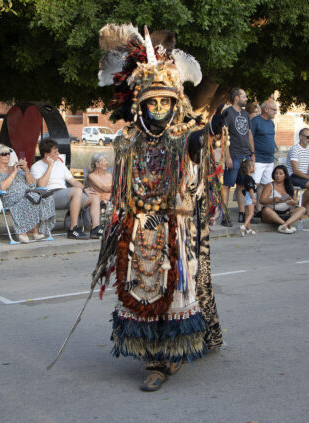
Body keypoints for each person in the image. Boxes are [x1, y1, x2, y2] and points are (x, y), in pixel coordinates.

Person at [94, 24, 223, 391]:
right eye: (152, 102)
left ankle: (171, 355)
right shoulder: (128, 140)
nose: (159, 108)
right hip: (138, 228)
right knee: (140, 288)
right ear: (140, 105)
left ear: (176, 102)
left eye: (165, 101)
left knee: (174, 287)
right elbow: (121, 188)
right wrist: (125, 220)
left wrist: (209, 131)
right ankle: (151, 354)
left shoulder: (184, 137)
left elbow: (195, 159)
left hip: (175, 229)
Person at [30, 138, 103, 240]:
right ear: (46, 154)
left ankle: (95, 228)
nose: (58, 154)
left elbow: (72, 181)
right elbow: (41, 184)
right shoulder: (36, 167)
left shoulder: (60, 165)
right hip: (49, 195)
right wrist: (50, 166)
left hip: (66, 194)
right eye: (55, 152)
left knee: (94, 196)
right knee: (76, 191)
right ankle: (73, 229)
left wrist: (85, 188)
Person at [0, 144, 56, 243]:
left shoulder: (16, 168)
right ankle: (24, 231)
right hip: (8, 197)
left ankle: (37, 229)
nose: (7, 155)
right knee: (32, 197)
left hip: (27, 193)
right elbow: (1, 188)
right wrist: (13, 173)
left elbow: (32, 184)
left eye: (8, 153)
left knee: (46, 196)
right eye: (4, 154)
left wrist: (26, 170)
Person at [221, 87, 254, 226]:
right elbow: (224, 134)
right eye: (244, 96)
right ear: (236, 98)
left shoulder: (246, 114)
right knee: (227, 185)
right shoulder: (228, 112)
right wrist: (227, 156)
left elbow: (249, 134)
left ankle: (242, 213)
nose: (246, 98)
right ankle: (224, 215)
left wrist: (252, 154)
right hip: (233, 154)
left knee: (242, 185)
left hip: (245, 155)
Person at [249, 100, 277, 215]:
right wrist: (252, 154)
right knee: (254, 184)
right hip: (258, 159)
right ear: (266, 109)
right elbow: (249, 138)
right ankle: (250, 209)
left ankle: (259, 208)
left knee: (265, 184)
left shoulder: (271, 123)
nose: (276, 112)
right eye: (274, 109)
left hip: (269, 159)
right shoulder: (256, 121)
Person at [259, 165, 306, 233]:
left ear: (285, 176)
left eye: (281, 174)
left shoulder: (289, 186)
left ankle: (285, 225)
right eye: (276, 173)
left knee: (302, 209)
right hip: (272, 213)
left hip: (286, 212)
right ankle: (287, 225)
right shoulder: (269, 186)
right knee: (266, 210)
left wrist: (293, 202)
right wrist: (274, 199)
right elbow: (262, 200)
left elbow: (296, 201)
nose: (278, 175)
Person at [238, 158, 256, 236]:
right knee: (251, 213)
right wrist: (253, 198)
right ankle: (244, 226)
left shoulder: (246, 177)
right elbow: (251, 189)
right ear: (248, 168)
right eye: (253, 166)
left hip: (246, 196)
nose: (254, 168)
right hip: (250, 196)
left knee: (247, 213)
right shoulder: (249, 178)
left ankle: (248, 229)